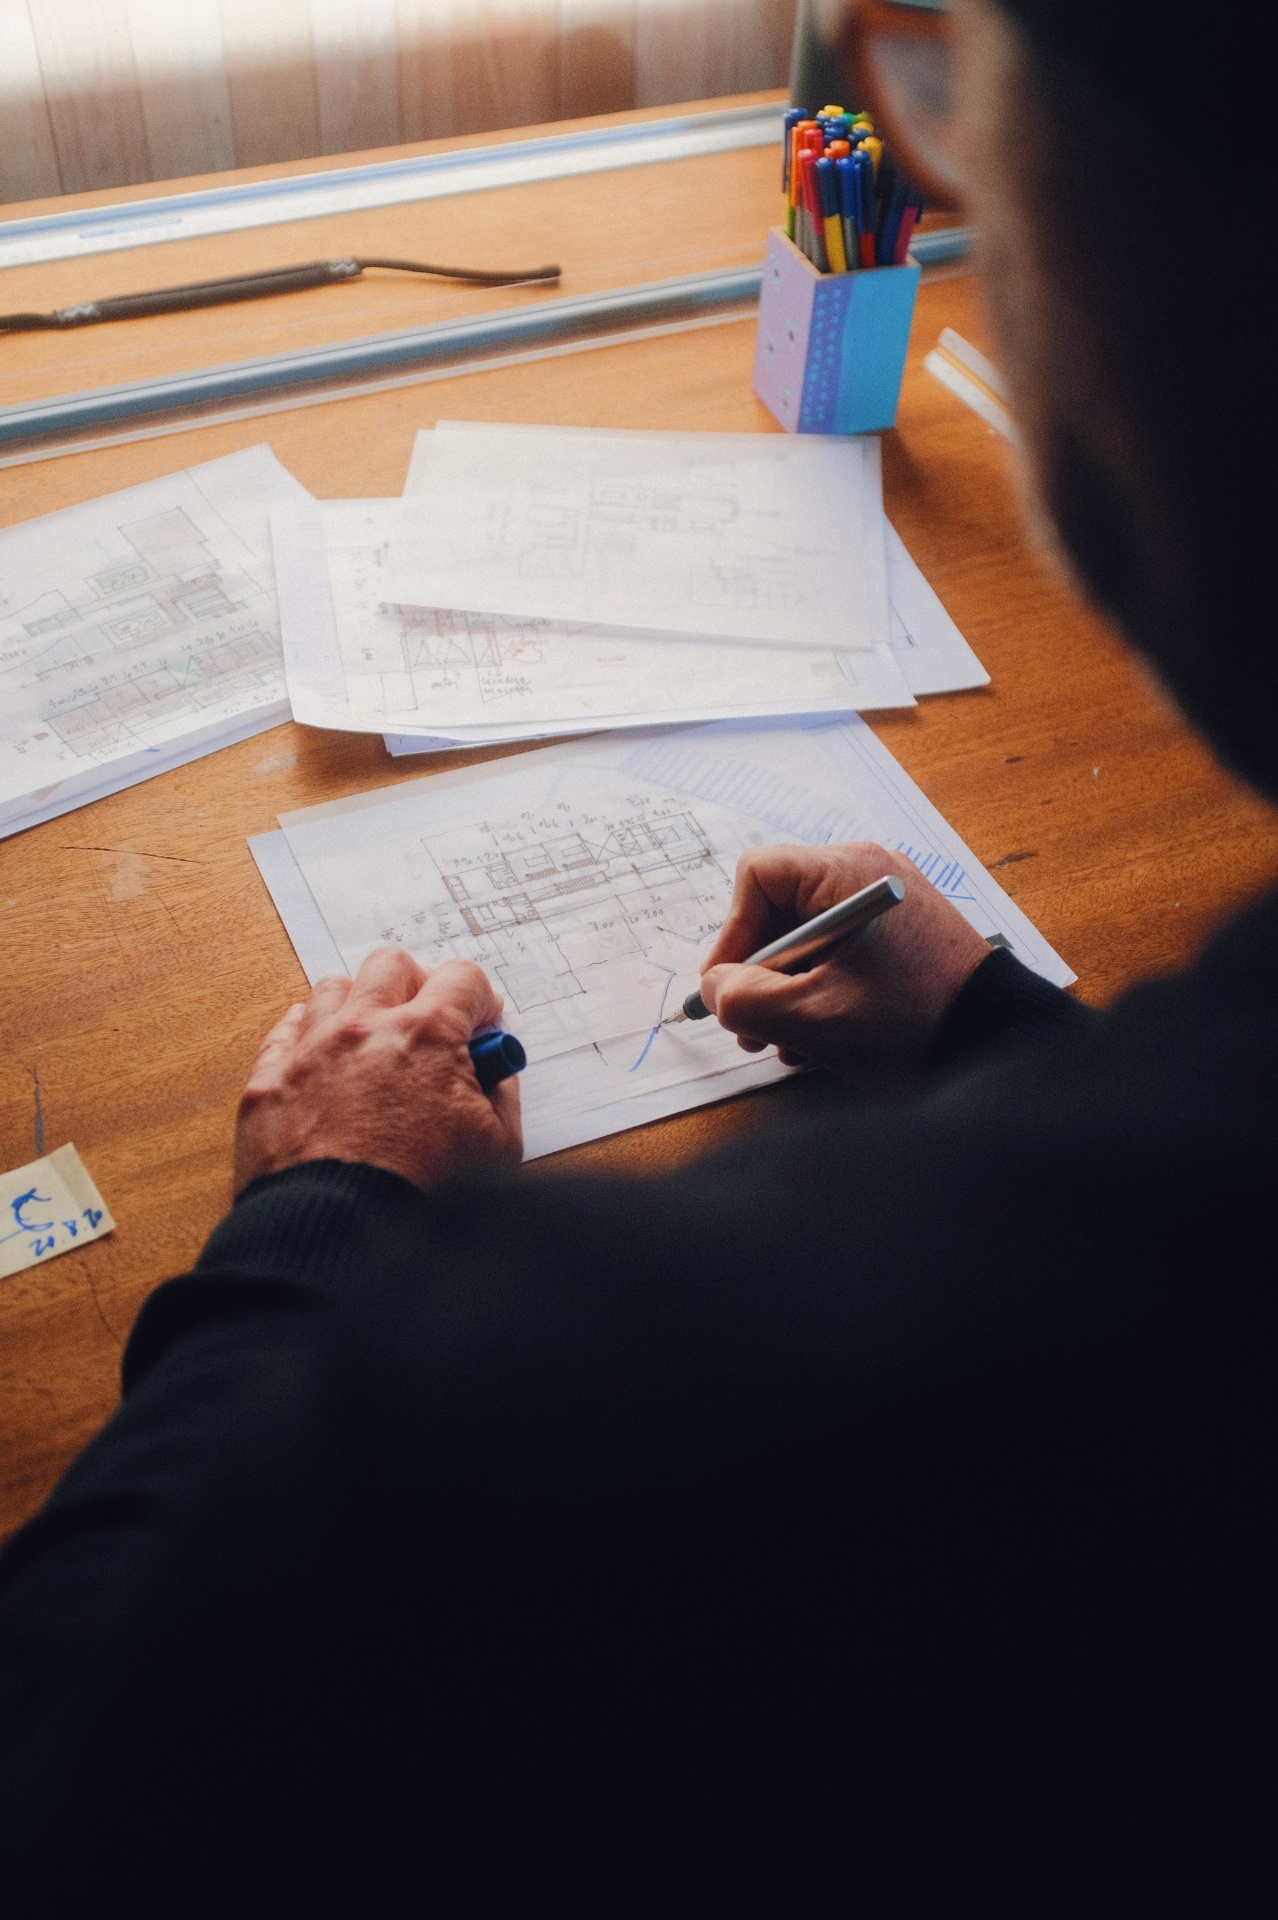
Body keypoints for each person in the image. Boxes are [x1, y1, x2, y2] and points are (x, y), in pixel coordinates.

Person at [1, 0, 1273, 1908]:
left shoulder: (622, 1382)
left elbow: (65, 1766)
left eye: (949, 92)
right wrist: (1003, 1024)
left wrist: (324, 1210)